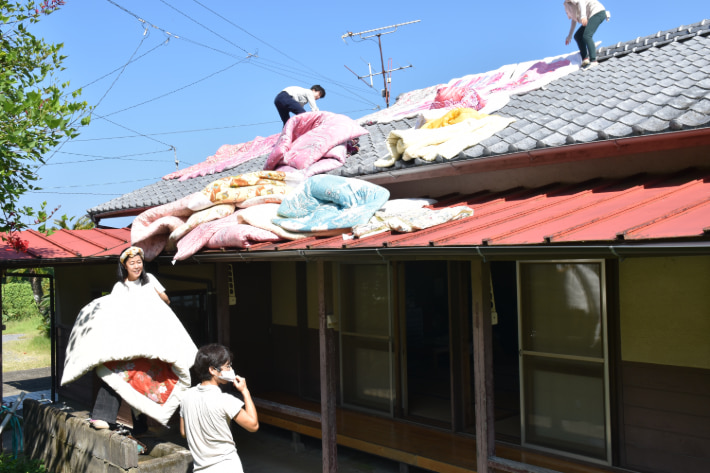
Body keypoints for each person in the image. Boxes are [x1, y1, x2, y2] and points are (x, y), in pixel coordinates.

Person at [89, 246, 170, 431]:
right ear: (124, 266)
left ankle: (141, 425)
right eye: (132, 263)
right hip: (127, 338)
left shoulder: (150, 280)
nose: (136, 266)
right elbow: (116, 313)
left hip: (150, 337)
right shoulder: (120, 287)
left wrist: (156, 295)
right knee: (115, 374)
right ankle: (103, 416)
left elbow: (166, 301)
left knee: (142, 378)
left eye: (139, 262)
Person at [180, 344, 259, 472]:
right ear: (213, 370)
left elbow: (184, 432)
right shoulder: (225, 400)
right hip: (227, 467)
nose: (231, 370)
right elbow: (253, 425)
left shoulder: (186, 396)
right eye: (227, 366)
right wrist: (245, 391)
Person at [564, 0, 609, 69]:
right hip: (591, 16)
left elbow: (581, 2)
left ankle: (593, 61)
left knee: (587, 35)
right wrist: (569, 35)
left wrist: (583, 16)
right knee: (578, 36)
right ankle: (585, 59)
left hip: (598, 12)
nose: (568, 16)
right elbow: (573, 20)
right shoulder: (566, 4)